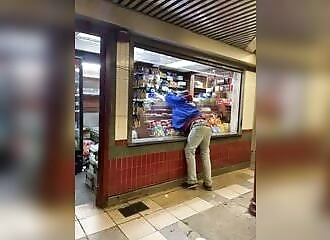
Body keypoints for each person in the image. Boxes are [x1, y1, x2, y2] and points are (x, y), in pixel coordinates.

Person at [165, 90, 213, 191]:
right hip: (207, 126)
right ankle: (208, 183)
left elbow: (178, 125)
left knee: (189, 151)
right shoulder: (189, 106)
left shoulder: (178, 106)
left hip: (197, 127)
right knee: (205, 153)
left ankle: (192, 181)